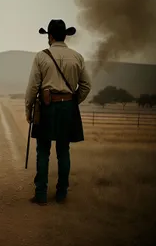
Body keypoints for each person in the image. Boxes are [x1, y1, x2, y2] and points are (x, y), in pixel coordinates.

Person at [25, 19, 91, 205]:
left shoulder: (41, 57)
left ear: (50, 36)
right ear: (65, 36)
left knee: (43, 151)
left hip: (47, 108)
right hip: (68, 108)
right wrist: (73, 101)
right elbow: (86, 85)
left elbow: (33, 87)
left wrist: (28, 109)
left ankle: (41, 194)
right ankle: (62, 194)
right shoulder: (77, 56)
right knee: (63, 151)